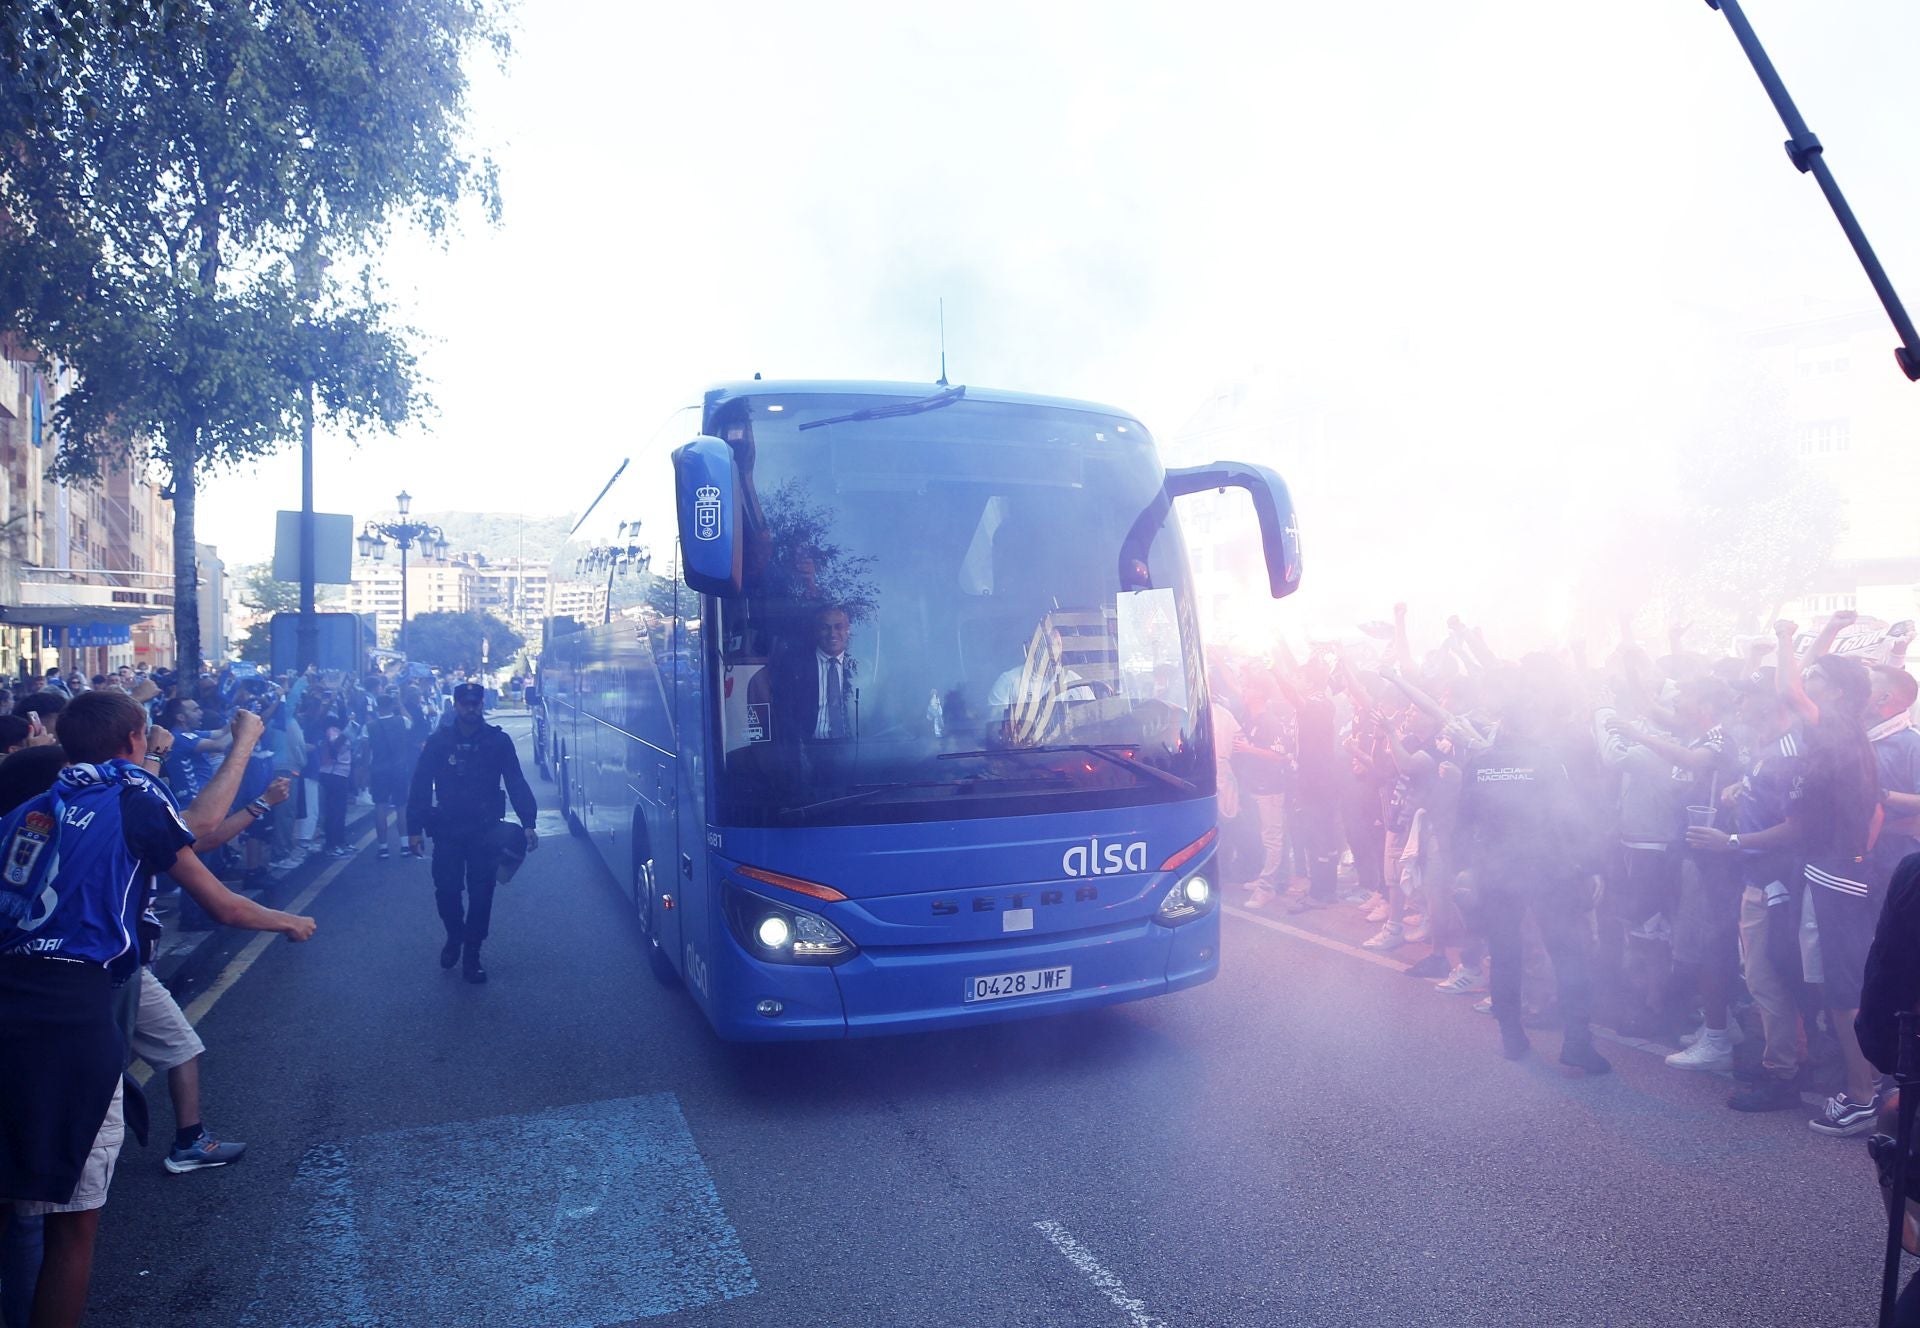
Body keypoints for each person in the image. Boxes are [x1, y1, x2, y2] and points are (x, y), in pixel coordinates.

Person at [0, 691, 315, 1328]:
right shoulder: (132, 797)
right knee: (71, 1225)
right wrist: (289, 920)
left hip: (11, 998)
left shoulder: (31, 810)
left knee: (20, 1204)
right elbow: (209, 865)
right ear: (134, 741)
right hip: (72, 1014)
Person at [407, 682, 539, 984]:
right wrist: (413, 829)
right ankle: (455, 935)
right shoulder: (438, 742)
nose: (470, 708)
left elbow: (515, 781)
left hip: (485, 830)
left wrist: (528, 821)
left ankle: (472, 952)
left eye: (475, 703)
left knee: (481, 895)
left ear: (482, 705)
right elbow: (420, 785)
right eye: (465, 704)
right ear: (455, 706)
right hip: (448, 830)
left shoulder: (498, 741)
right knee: (447, 891)